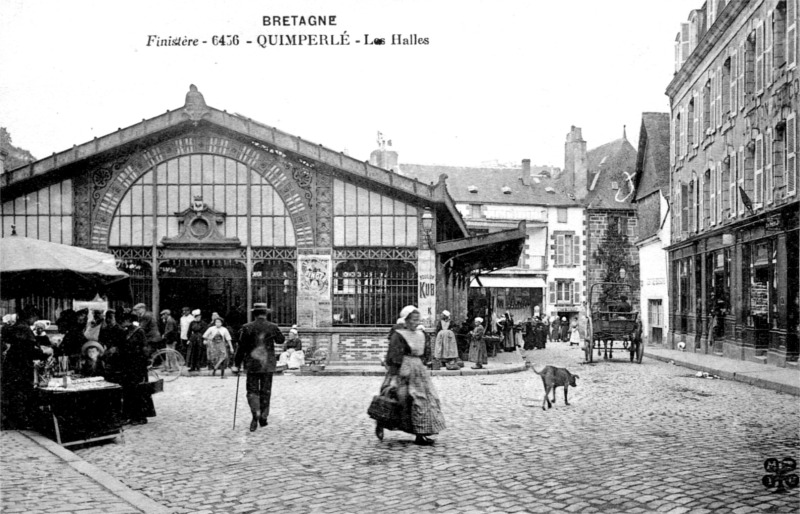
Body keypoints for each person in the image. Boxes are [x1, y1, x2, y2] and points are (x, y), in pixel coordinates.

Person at [376, 305, 446, 445]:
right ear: (406, 320)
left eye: (417, 320)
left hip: (418, 371)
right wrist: (395, 377)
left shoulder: (421, 334)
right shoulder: (399, 335)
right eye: (412, 320)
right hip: (403, 369)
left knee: (424, 399)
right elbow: (394, 356)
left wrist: (424, 364)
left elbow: (425, 353)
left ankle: (421, 433)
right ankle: (382, 422)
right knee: (400, 399)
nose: (415, 322)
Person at [233, 303, 285, 432]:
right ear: (265, 313)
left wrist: (236, 364)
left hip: (252, 364)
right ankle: (263, 416)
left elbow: (241, 348)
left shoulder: (246, 327)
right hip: (268, 364)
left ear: (254, 314)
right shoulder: (272, 327)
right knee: (266, 391)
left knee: (252, 391)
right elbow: (281, 340)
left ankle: (255, 415)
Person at [0, 306, 53, 430]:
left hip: (12, 365)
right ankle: (20, 422)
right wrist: (45, 353)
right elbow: (30, 350)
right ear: (31, 316)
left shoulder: (16, 327)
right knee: (21, 393)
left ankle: (12, 420)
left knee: (13, 393)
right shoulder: (24, 329)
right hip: (20, 367)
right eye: (35, 318)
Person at [116, 310, 155, 425]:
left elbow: (145, 348)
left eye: (122, 321)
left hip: (138, 365)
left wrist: (146, 361)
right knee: (128, 391)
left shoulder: (139, 331)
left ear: (128, 320)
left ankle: (140, 416)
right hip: (127, 365)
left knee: (139, 390)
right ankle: (128, 415)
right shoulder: (124, 332)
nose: (121, 323)